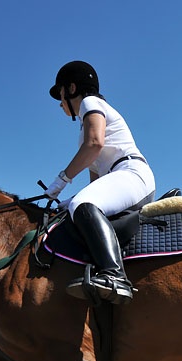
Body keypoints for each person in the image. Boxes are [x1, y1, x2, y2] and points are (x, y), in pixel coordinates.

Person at [44, 61, 155, 305]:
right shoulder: (83, 130)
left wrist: (62, 180)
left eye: (60, 95)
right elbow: (97, 185)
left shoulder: (89, 103)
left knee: (82, 204)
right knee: (78, 206)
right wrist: (68, 201)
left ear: (72, 88)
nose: (60, 103)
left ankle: (115, 276)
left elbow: (94, 144)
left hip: (131, 172)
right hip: (120, 178)